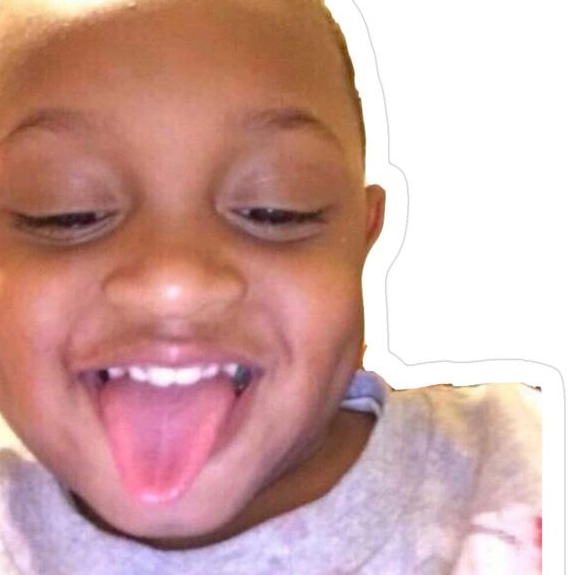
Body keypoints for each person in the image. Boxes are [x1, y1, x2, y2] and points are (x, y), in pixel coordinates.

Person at [0, 0, 541, 573]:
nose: (174, 283)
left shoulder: (530, 466)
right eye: (65, 212)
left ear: (361, 237)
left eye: (275, 208)